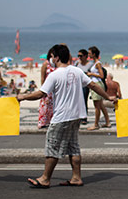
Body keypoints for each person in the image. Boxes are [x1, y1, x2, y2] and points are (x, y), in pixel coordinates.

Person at [18, 44, 114, 188]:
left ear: (56, 57)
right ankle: (76, 177)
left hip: (61, 116)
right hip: (77, 115)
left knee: (52, 146)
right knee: (73, 146)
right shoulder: (77, 71)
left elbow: (41, 93)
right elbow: (93, 85)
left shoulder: (54, 75)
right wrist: (108, 97)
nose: (51, 59)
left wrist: (23, 97)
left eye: (52, 56)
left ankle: (45, 178)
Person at [86, 46, 110, 130]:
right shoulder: (95, 63)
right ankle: (108, 122)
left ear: (94, 54)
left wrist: (91, 74)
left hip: (97, 84)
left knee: (97, 105)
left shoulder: (98, 64)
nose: (88, 54)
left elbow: (101, 75)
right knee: (101, 105)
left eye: (89, 53)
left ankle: (96, 124)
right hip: (97, 83)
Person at [74, 49, 94, 124]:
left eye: (81, 56)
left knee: (84, 100)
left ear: (86, 56)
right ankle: (77, 116)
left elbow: (92, 74)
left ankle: (84, 117)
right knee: (76, 101)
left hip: (85, 85)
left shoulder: (90, 64)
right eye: (78, 56)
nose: (79, 57)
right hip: (76, 84)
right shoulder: (77, 63)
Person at [38, 47, 56, 129]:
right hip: (47, 87)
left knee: (54, 106)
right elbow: (42, 77)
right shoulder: (46, 64)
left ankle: (52, 121)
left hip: (55, 88)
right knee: (45, 105)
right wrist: (43, 88)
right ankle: (43, 122)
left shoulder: (57, 64)